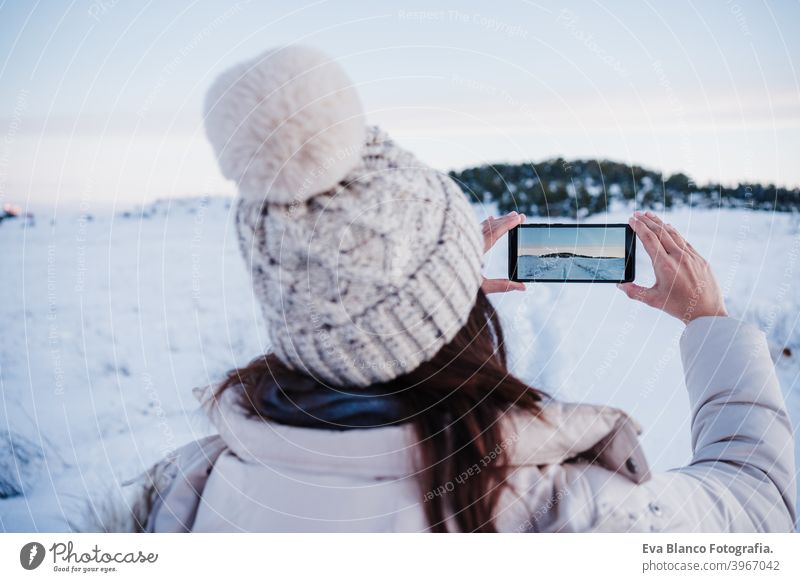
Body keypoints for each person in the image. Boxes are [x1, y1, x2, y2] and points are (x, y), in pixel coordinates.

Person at [124, 46, 795, 533]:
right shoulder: (577, 513)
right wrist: (708, 321)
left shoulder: (182, 497)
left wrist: (411, 305)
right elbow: (761, 508)